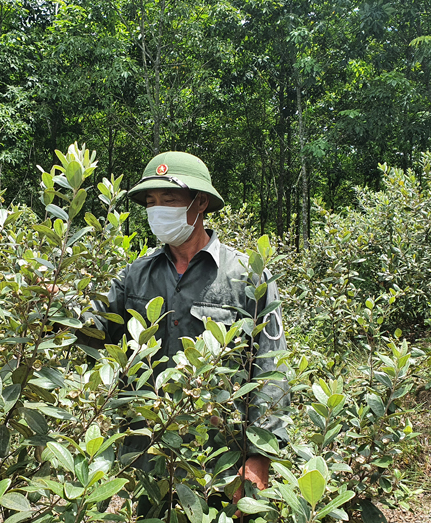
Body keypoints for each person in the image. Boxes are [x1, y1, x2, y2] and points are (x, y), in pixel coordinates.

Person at [87, 151, 289, 516]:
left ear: (201, 203)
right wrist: (54, 309)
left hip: (221, 454)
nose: (157, 210)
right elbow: (97, 327)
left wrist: (260, 456)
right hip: (150, 451)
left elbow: (269, 368)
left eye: (169, 199)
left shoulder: (248, 276)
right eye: (151, 202)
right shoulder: (136, 274)